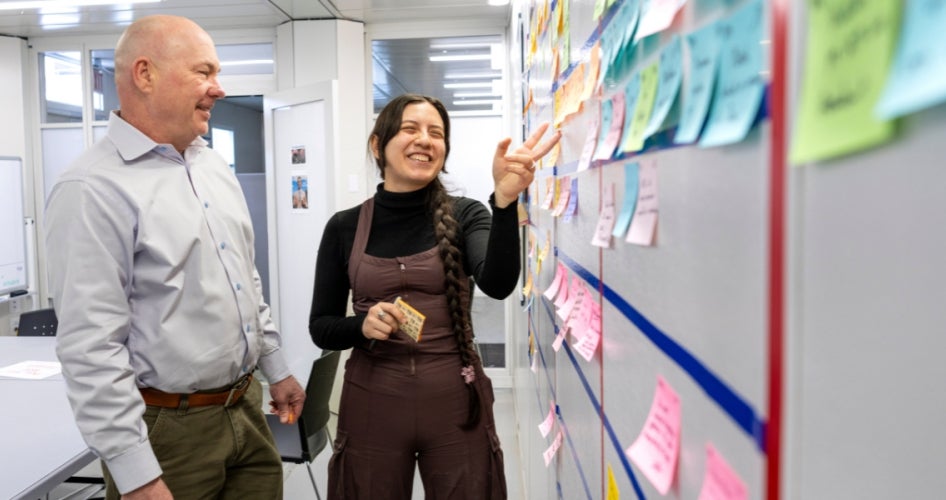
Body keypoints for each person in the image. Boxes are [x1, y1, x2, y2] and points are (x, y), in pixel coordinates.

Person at [44, 15, 305, 500]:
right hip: (168, 431)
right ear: (145, 74)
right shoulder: (92, 189)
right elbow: (90, 348)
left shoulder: (209, 164)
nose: (218, 89)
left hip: (246, 407)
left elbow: (243, 280)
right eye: (203, 72)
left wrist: (277, 368)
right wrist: (135, 472)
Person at [308, 93, 560, 499]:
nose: (425, 140)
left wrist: (505, 202)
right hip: (373, 402)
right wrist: (361, 326)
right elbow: (321, 328)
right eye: (410, 129)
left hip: (456, 401)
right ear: (378, 145)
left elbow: (498, 283)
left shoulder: (467, 213)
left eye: (436, 133)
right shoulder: (344, 227)